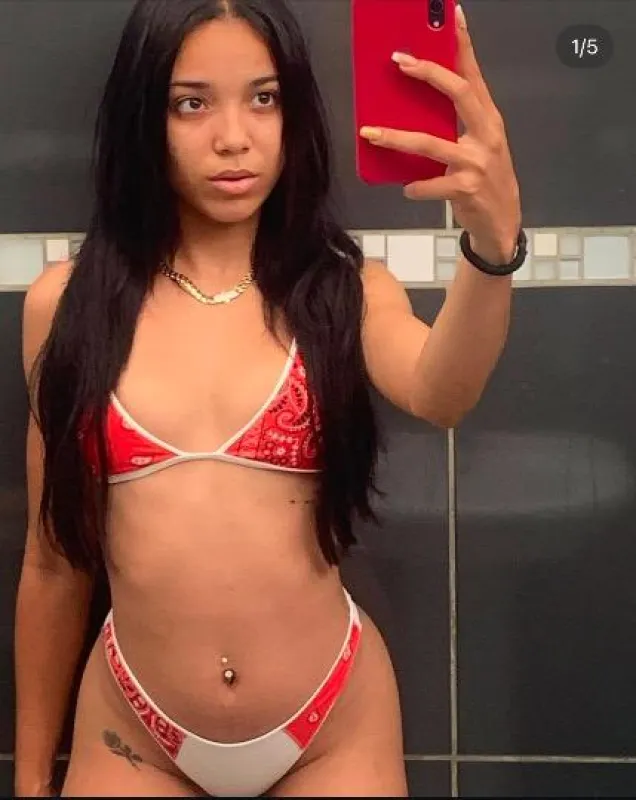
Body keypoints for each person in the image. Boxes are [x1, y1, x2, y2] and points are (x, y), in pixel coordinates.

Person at [14, 0, 523, 796]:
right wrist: (32, 777)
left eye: (264, 97)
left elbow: (442, 393)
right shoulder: (66, 307)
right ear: (144, 117)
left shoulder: (344, 291)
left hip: (332, 728)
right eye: (192, 104)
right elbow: (53, 563)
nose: (234, 137)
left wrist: (491, 251)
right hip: (132, 733)